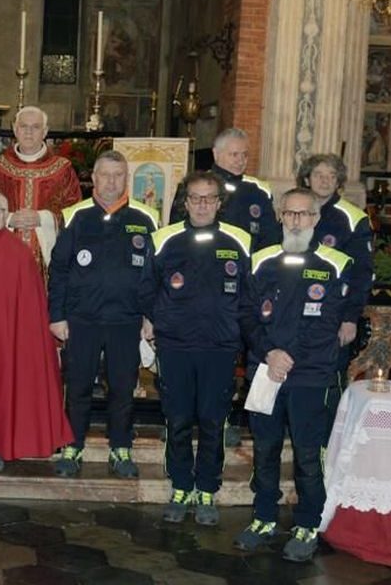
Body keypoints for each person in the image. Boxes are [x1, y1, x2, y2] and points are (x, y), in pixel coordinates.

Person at [233, 188, 350, 563]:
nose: (296, 221)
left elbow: (326, 324)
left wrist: (289, 356)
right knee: (264, 450)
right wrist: (270, 352)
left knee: (305, 454)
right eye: (290, 214)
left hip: (309, 376)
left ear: (316, 219)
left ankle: (307, 523)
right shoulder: (261, 260)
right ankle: (264, 516)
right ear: (280, 217)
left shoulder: (335, 264)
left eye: (304, 214)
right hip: (265, 371)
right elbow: (247, 314)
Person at [148, 171, 251, 526]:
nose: (203, 204)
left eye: (210, 198)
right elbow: (148, 289)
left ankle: (206, 488)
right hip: (175, 346)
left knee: (212, 421)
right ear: (185, 202)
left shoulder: (240, 240)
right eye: (196, 197)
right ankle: (180, 486)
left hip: (220, 347)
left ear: (219, 203)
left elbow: (250, 296)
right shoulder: (163, 239)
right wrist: (152, 322)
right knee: (176, 420)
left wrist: (241, 333)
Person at [48, 150, 158, 479]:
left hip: (126, 319)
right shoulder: (74, 215)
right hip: (82, 318)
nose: (111, 182)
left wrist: (150, 315)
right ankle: (73, 445)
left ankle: (120, 447)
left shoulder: (147, 217)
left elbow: (155, 274)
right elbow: (60, 270)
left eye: (118, 175)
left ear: (127, 179)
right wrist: (57, 315)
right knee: (78, 384)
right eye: (105, 175)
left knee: (123, 387)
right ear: (93, 178)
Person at [0, 191, 72, 474]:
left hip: (4, 340)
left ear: (6, 216)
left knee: (0, 389)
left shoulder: (19, 253)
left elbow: (31, 307)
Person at [297, 153, 373, 389]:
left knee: (327, 385)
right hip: (294, 313)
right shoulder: (294, 211)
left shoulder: (353, 218)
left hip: (332, 316)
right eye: (318, 175)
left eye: (331, 176)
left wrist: (350, 318)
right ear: (307, 179)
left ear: (338, 181)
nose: (324, 180)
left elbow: (362, 274)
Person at [0, 106, 82, 268]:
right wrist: (8, 218)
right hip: (4, 254)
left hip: (47, 259)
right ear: (15, 129)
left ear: (45, 131)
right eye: (24, 126)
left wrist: (43, 218)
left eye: (35, 127)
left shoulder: (62, 169)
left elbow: (75, 212)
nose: (29, 132)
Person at [168, 128, 280, 251]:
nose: (240, 160)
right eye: (234, 154)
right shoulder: (194, 186)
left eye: (245, 155)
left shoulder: (259, 190)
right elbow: (177, 230)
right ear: (216, 154)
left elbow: (270, 237)